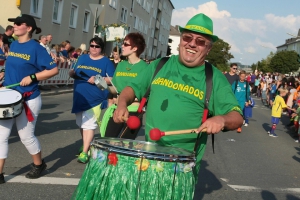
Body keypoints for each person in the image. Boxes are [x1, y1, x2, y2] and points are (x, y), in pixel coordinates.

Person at [112, 13, 243, 197]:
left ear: (208, 48)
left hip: (181, 167)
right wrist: (122, 104)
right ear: (181, 40)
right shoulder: (160, 64)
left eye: (200, 41)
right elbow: (132, 88)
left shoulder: (214, 78)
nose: (192, 44)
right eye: (187, 38)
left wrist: (221, 119)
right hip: (150, 157)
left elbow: (237, 116)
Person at [0, 14, 59, 184]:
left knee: (26, 136)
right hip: (9, 97)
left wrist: (33, 77)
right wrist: (4, 74)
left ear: (29, 28)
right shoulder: (14, 45)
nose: (15, 26)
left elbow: (53, 70)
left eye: (19, 23)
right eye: (14, 23)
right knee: (1, 135)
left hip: (28, 99)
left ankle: (39, 164)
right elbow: (14, 66)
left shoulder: (37, 48)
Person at [69, 37, 115, 164]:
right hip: (79, 95)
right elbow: (74, 70)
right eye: (92, 45)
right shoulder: (82, 58)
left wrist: (97, 78)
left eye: (97, 46)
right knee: (81, 124)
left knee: (89, 125)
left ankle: (85, 152)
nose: (94, 48)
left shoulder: (106, 62)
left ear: (101, 48)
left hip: (95, 97)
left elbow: (111, 79)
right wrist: (71, 73)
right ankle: (87, 144)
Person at [101, 32, 147, 139]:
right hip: (117, 109)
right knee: (108, 141)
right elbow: (115, 90)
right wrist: (104, 86)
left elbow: (143, 92)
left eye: (126, 44)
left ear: (135, 48)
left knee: (125, 144)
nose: (122, 46)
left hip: (134, 112)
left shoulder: (145, 67)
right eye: (123, 43)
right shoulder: (121, 65)